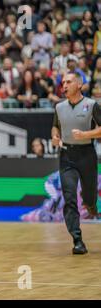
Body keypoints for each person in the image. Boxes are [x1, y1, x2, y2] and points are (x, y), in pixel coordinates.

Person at [51, 72, 101, 255]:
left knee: (89, 197)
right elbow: (55, 126)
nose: (64, 85)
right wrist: (55, 136)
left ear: (79, 85)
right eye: (63, 82)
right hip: (67, 156)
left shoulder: (91, 105)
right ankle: (77, 240)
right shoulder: (59, 107)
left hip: (87, 155)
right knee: (69, 197)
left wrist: (86, 135)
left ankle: (90, 203)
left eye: (68, 82)